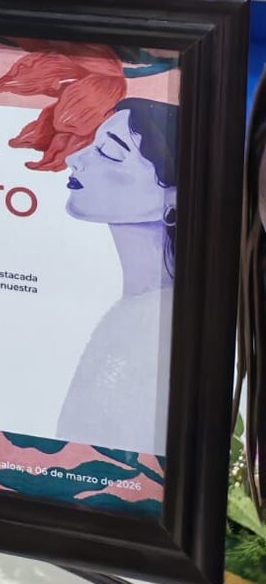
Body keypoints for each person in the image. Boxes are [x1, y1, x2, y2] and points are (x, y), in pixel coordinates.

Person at [56, 99, 177, 455]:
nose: (74, 158)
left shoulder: (156, 326)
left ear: (175, 198)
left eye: (110, 152)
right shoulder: (137, 312)